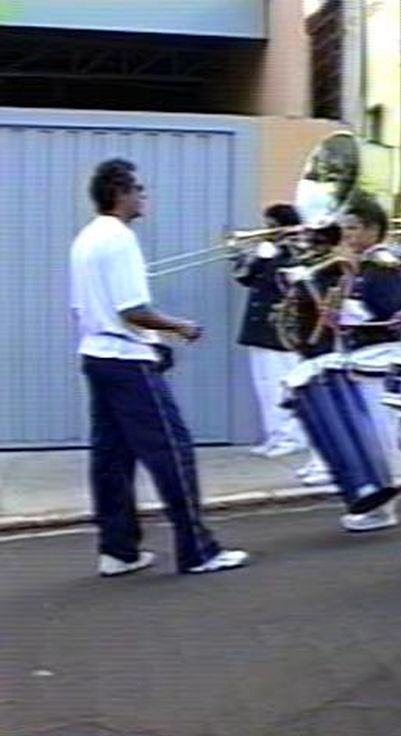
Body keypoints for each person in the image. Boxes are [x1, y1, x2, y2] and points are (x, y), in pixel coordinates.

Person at [69, 158, 248, 576]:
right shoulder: (120, 239)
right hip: (129, 362)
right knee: (173, 451)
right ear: (120, 193)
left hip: (97, 355)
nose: (144, 197)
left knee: (110, 458)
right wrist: (179, 327)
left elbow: (86, 307)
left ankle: (118, 550)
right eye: (138, 190)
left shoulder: (86, 238)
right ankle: (198, 550)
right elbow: (133, 309)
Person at [319, 193, 401, 533]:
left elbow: (388, 311)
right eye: (346, 229)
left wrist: (347, 310)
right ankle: (376, 502)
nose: (348, 236)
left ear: (374, 229)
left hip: (379, 358)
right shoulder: (360, 265)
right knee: (368, 432)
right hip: (359, 355)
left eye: (355, 228)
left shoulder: (381, 264)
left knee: (381, 436)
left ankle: (383, 507)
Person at [233, 203, 308, 459]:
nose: (267, 230)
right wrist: (251, 257)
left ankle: (291, 437)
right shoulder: (270, 251)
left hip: (279, 333)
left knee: (280, 387)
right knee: (264, 387)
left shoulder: (297, 251)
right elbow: (244, 278)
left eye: (272, 226)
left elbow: (289, 286)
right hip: (259, 330)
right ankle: (273, 436)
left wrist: (273, 258)